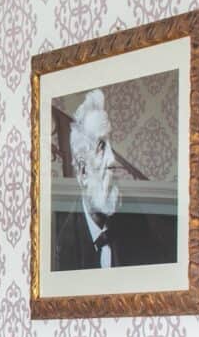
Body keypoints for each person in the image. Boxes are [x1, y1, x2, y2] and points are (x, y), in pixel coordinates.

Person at [50, 88, 176, 270]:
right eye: (101, 146)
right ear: (83, 171)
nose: (113, 159)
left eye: (111, 145)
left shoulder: (142, 227)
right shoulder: (58, 242)